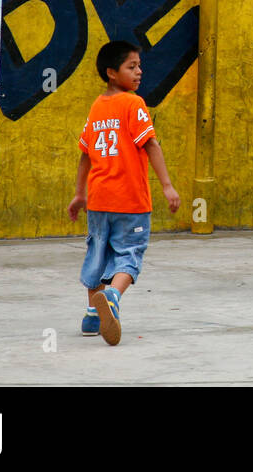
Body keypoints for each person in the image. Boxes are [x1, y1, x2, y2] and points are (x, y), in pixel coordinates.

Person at [68, 41, 181, 346]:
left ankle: (92, 315)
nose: (139, 71)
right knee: (129, 254)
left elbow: (85, 155)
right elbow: (151, 144)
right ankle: (114, 297)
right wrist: (167, 185)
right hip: (130, 200)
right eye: (132, 67)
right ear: (111, 73)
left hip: (99, 200)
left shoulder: (97, 106)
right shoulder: (133, 103)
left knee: (98, 253)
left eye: (139, 66)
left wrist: (80, 194)